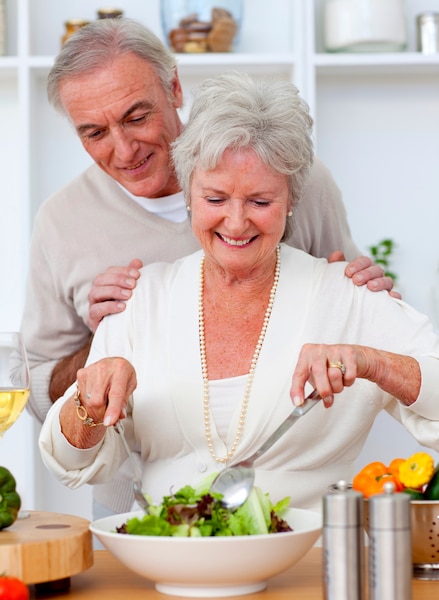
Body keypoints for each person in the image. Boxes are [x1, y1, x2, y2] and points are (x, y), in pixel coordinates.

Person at [23, 19, 394, 516]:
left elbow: (340, 293)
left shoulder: (280, 172)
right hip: (129, 509)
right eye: (94, 132)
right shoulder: (61, 221)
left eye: (136, 117)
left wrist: (359, 290)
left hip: (285, 498)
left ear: (174, 87)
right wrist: (108, 336)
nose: (123, 149)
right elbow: (40, 389)